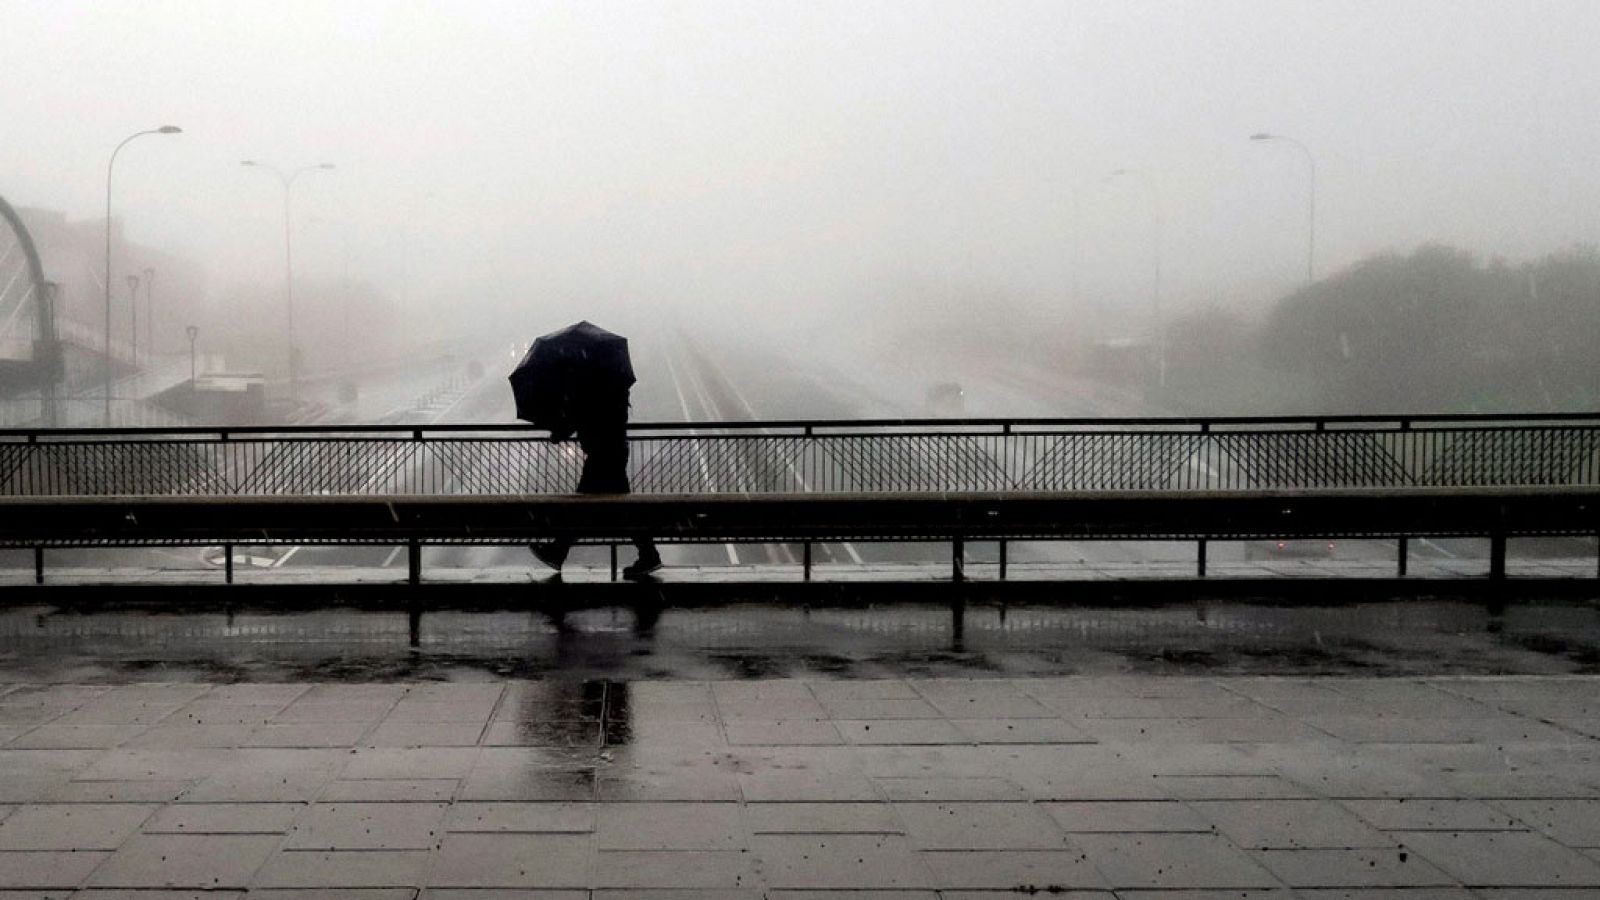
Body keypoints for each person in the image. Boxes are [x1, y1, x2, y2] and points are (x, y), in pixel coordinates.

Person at [530, 381, 662, 579]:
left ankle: (558, 550)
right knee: (621, 508)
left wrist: (559, 432)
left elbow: (581, 416)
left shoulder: (592, 387)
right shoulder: (613, 388)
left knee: (582, 506)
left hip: (601, 455)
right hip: (613, 451)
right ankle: (648, 554)